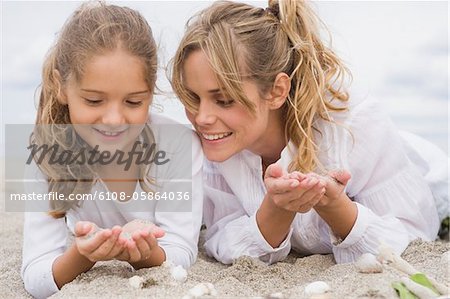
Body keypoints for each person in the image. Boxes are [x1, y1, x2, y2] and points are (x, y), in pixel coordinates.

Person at [171, 0, 448, 265]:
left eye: (224, 100)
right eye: (192, 98)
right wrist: (277, 210)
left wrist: (334, 207)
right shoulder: (214, 148)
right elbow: (222, 239)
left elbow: (415, 232)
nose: (202, 118)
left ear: (276, 91)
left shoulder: (352, 125)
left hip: (430, 179)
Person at [21, 3, 203, 298]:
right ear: (61, 86)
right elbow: (36, 274)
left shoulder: (179, 144)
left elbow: (181, 249)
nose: (114, 120)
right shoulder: (46, 154)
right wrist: (83, 255)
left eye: (133, 102)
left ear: (151, 90)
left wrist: (144, 255)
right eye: (94, 101)